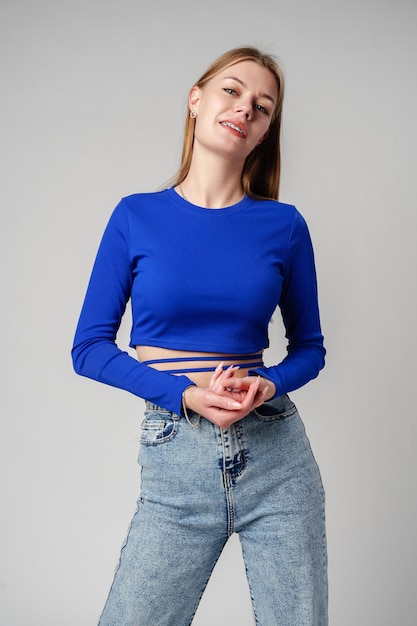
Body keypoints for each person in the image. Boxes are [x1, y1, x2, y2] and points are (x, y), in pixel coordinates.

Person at [72, 46, 328, 626]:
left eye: (263, 108)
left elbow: (310, 348)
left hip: (276, 455)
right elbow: (88, 348)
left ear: (264, 133)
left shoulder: (283, 226)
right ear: (196, 99)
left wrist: (267, 383)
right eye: (232, 91)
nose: (246, 110)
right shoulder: (136, 215)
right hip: (176, 451)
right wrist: (182, 395)